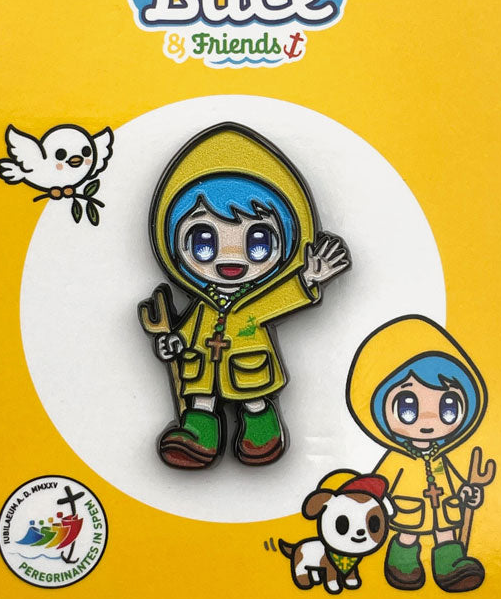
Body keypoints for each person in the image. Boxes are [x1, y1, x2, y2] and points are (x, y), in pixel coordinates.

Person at [143, 122, 349, 469]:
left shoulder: (258, 301)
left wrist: (308, 278)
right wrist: (174, 341)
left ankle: (262, 433)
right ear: (173, 246)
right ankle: (198, 437)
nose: (231, 259)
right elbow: (189, 329)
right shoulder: (202, 303)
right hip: (203, 365)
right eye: (204, 242)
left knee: (253, 399)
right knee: (201, 399)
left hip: (247, 365)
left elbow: (285, 297)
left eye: (257, 243)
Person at [346, 315, 492, 592]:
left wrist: (466, 492)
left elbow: (453, 479)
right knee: (408, 536)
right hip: (409, 509)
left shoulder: (439, 456)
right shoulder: (398, 458)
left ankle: (450, 567)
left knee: (446, 533)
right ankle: (402, 564)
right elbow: (381, 484)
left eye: (447, 407)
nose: (428, 420)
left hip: (443, 506)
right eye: (408, 407)